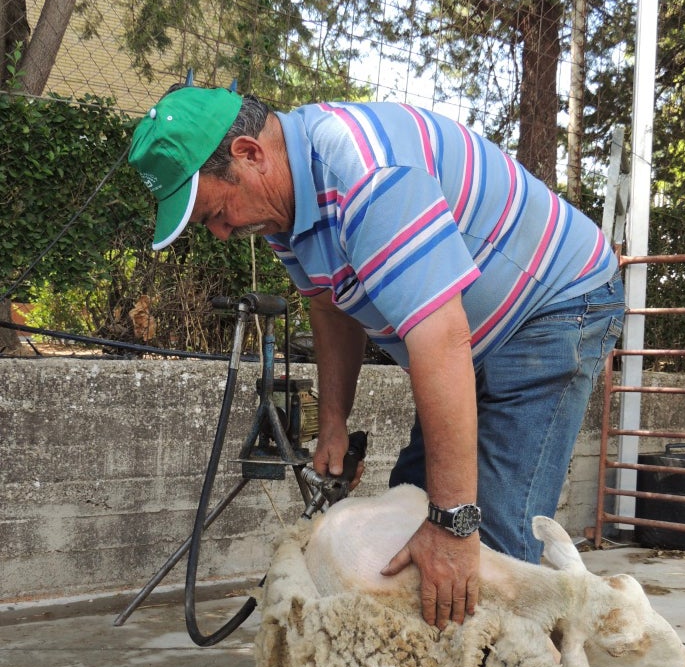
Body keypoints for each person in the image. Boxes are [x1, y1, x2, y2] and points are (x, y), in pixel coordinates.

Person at [129, 86, 624, 631]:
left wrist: (455, 524)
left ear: (250, 154)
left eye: (217, 212)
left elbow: (440, 343)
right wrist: (334, 425)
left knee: (484, 549)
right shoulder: (282, 211)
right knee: (408, 521)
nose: (222, 233)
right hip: (464, 331)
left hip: (551, 305)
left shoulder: (367, 176)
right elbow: (329, 305)